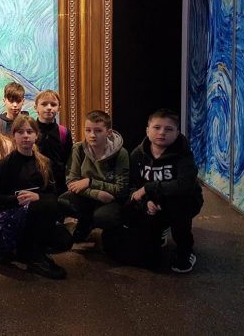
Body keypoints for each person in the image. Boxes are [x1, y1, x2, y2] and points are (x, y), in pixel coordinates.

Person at [0, 115, 70, 280]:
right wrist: (16, 199)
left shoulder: (44, 162)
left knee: (65, 241)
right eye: (20, 132)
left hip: (38, 211)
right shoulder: (5, 164)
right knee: (40, 208)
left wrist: (37, 196)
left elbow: (52, 194)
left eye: (29, 131)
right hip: (12, 215)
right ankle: (34, 257)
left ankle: (28, 249)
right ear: (14, 136)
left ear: (36, 135)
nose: (25, 136)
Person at [124, 109, 203, 273]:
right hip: (152, 202)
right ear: (147, 130)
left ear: (177, 133)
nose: (162, 132)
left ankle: (185, 250)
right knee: (150, 258)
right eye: (157, 127)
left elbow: (185, 186)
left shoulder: (184, 155)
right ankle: (158, 229)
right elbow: (132, 186)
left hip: (181, 201)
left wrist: (148, 188)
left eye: (168, 129)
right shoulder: (137, 154)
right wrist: (146, 203)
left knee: (178, 209)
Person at [59, 110, 129, 243]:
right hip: (89, 195)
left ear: (108, 132)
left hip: (110, 198)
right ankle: (85, 222)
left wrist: (90, 182)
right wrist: (96, 193)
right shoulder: (78, 148)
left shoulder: (121, 153)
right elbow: (72, 182)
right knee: (63, 201)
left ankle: (110, 231)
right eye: (88, 130)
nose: (92, 135)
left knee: (104, 217)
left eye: (98, 131)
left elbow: (121, 189)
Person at [34, 89, 73, 196]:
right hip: (35, 184)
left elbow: (69, 161)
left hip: (58, 186)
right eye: (44, 104)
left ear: (59, 108)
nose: (49, 107)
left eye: (53, 104)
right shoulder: (30, 131)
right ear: (36, 107)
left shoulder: (64, 132)